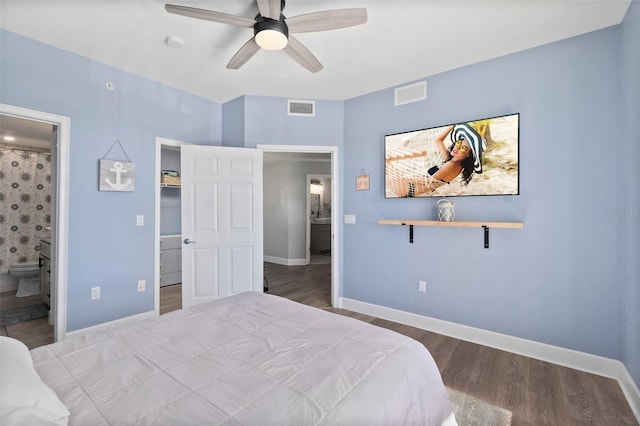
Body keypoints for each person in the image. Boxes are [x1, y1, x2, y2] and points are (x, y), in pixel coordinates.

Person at [398, 123, 485, 197]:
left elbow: (429, 181)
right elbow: (438, 140)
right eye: (458, 143)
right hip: (410, 186)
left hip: (410, 188)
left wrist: (411, 178)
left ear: (468, 154)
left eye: (463, 148)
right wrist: (452, 124)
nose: (457, 147)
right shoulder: (453, 160)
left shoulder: (452, 164)